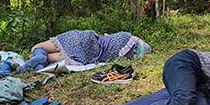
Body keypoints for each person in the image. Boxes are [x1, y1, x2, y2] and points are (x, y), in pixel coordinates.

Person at [17, 30, 152, 73]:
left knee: (37, 47)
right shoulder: (125, 56)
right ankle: (41, 63)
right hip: (88, 54)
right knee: (52, 58)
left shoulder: (125, 36)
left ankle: (38, 56)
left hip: (82, 39)